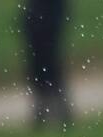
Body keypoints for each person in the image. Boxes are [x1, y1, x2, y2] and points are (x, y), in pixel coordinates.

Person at [21, 0, 72, 128]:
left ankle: (57, 105)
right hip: (37, 15)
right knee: (39, 62)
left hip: (47, 14)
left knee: (49, 60)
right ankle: (45, 105)